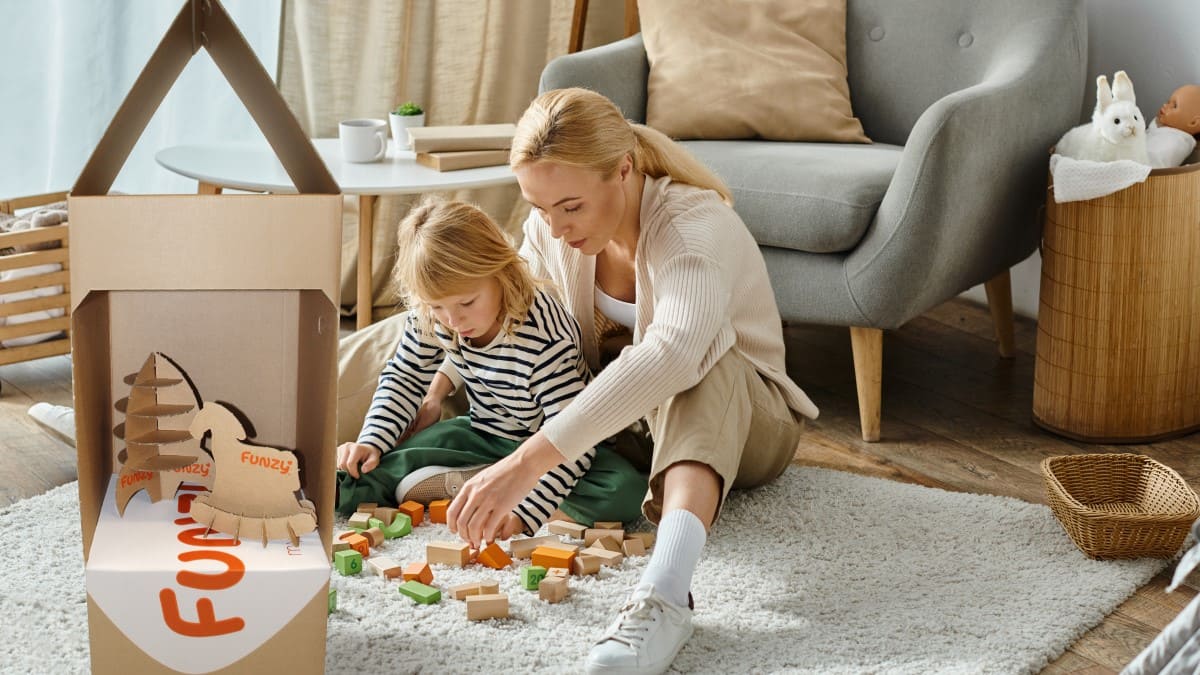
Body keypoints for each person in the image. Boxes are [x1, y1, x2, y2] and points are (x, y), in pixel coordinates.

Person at [428, 88, 820, 674]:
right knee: (454, 316)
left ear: (624, 169)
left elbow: (672, 355)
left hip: (745, 420)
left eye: (571, 207)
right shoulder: (551, 231)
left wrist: (526, 464)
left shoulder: (693, 227)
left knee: (701, 363)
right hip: (627, 422)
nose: (555, 229)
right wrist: (435, 385)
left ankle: (665, 595)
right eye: (539, 209)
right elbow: (517, 321)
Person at [335, 197, 646, 539]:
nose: (454, 321)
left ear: (502, 273)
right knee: (367, 470)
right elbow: (405, 376)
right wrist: (371, 442)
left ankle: (506, 492)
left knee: (627, 491)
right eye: (438, 306)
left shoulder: (544, 337)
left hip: (555, 446)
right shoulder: (434, 315)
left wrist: (524, 517)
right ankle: (481, 478)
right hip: (483, 434)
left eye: (467, 303)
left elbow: (572, 437)